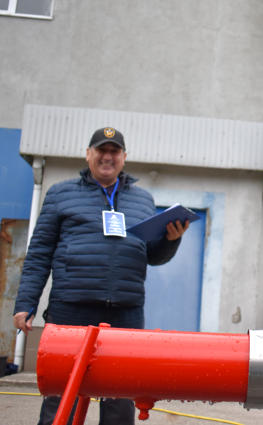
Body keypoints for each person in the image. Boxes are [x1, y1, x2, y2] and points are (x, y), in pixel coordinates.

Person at [13, 127, 189, 425]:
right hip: (71, 307)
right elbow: (39, 253)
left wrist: (172, 239)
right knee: (61, 396)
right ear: (88, 154)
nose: (108, 157)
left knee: (120, 400)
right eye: (101, 150)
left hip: (126, 312)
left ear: (124, 157)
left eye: (114, 151)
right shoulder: (60, 194)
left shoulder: (143, 200)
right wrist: (25, 303)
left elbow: (152, 256)